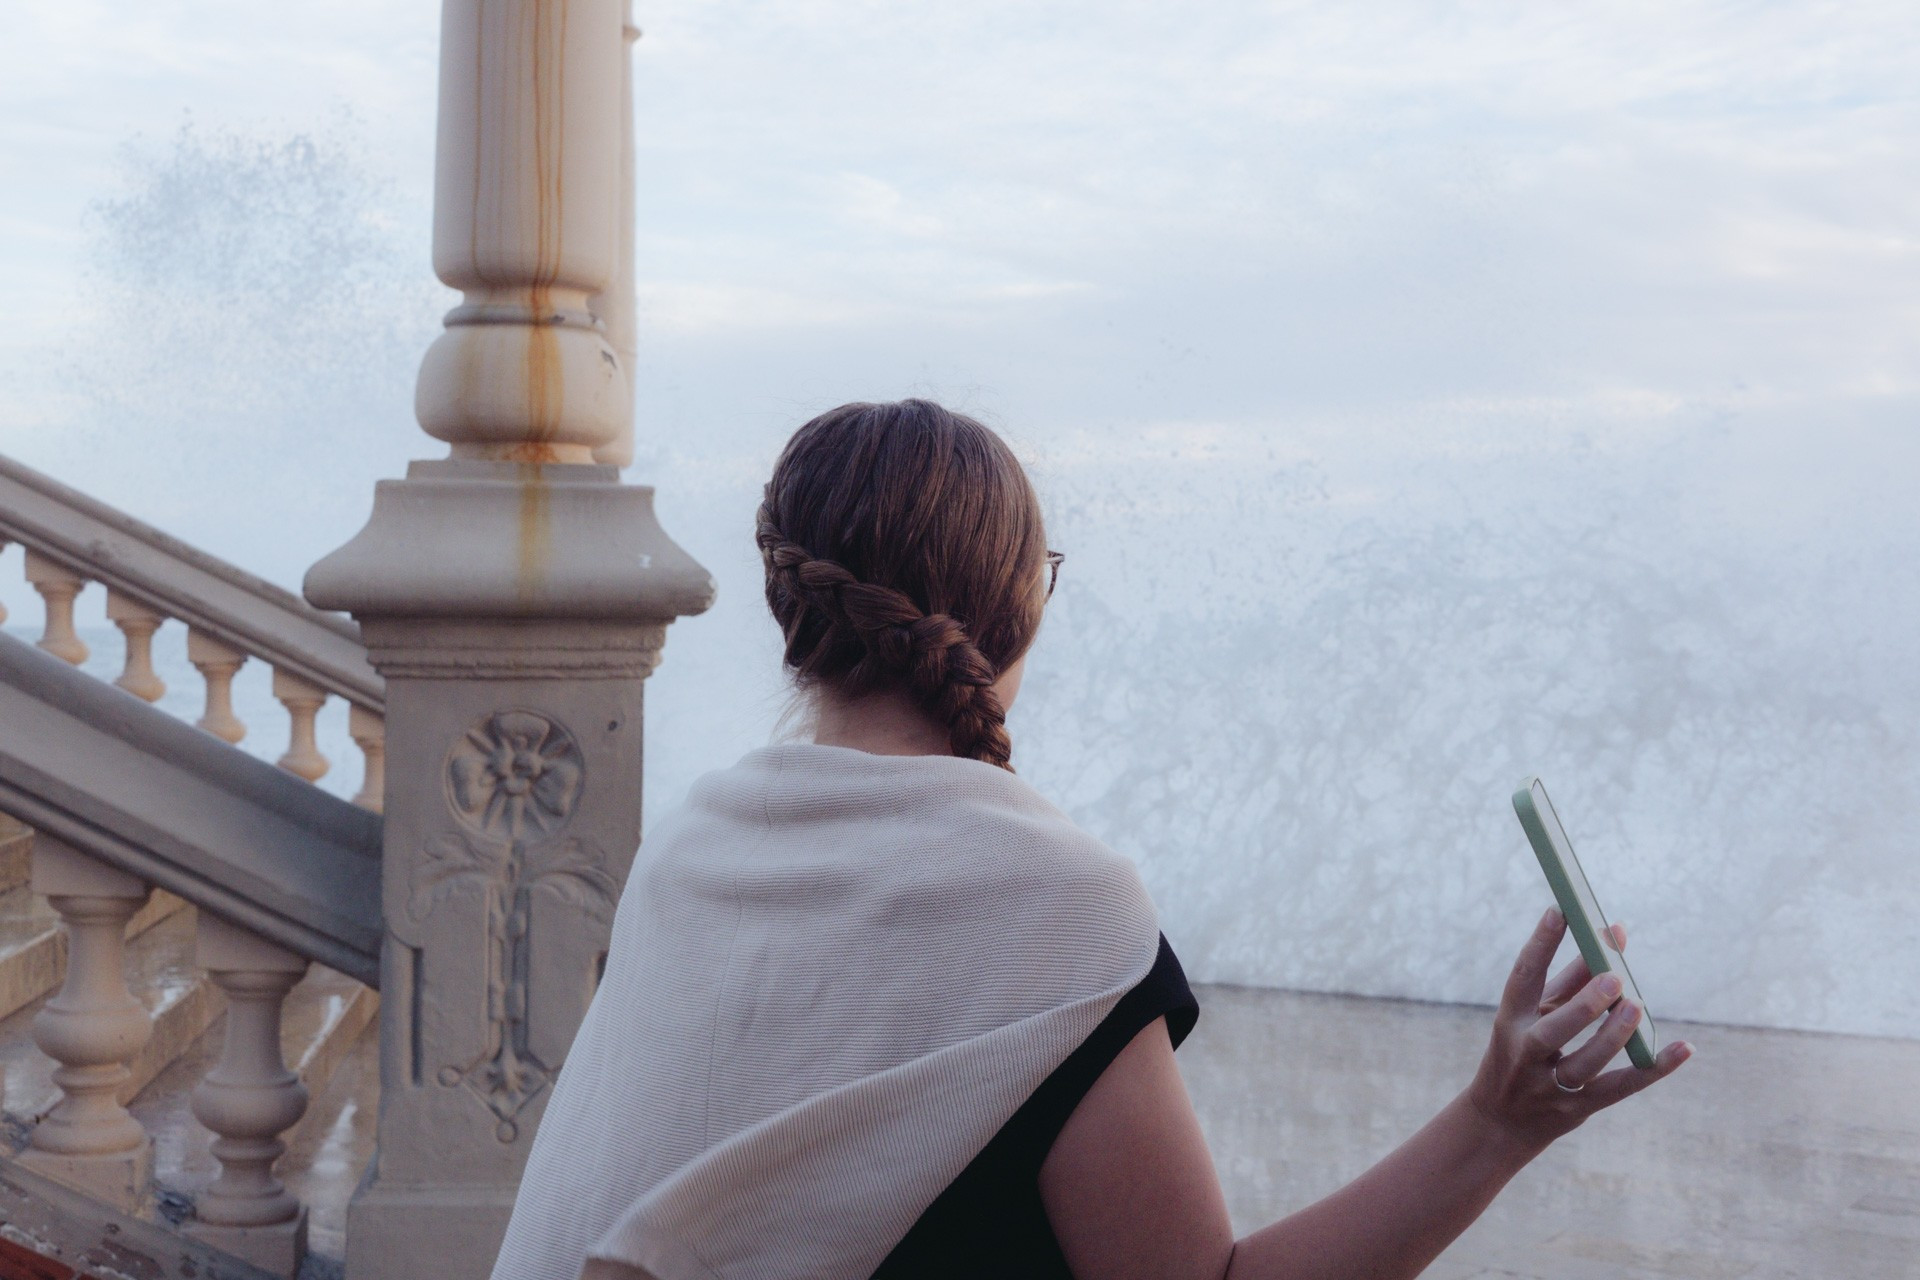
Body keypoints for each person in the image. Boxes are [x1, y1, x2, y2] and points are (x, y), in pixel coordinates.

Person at [490, 398, 1691, 1280]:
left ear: (788, 606)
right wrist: (1496, 1120)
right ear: (1016, 614)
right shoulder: (1051, 906)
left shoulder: (688, 852)